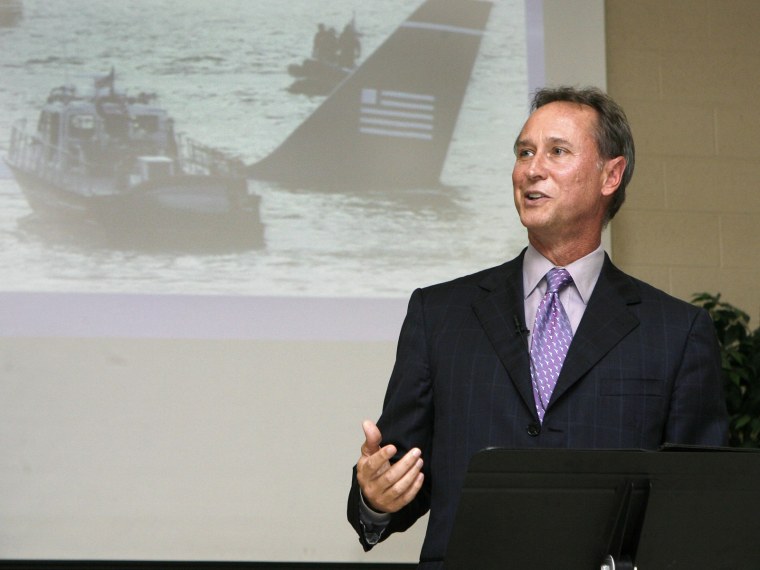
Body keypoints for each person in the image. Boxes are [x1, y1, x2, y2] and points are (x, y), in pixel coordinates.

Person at [347, 86, 728, 568]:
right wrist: (377, 498)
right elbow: (402, 475)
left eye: (557, 152)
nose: (532, 168)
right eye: (524, 152)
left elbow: (700, 506)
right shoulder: (439, 314)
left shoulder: (676, 331)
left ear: (611, 175)